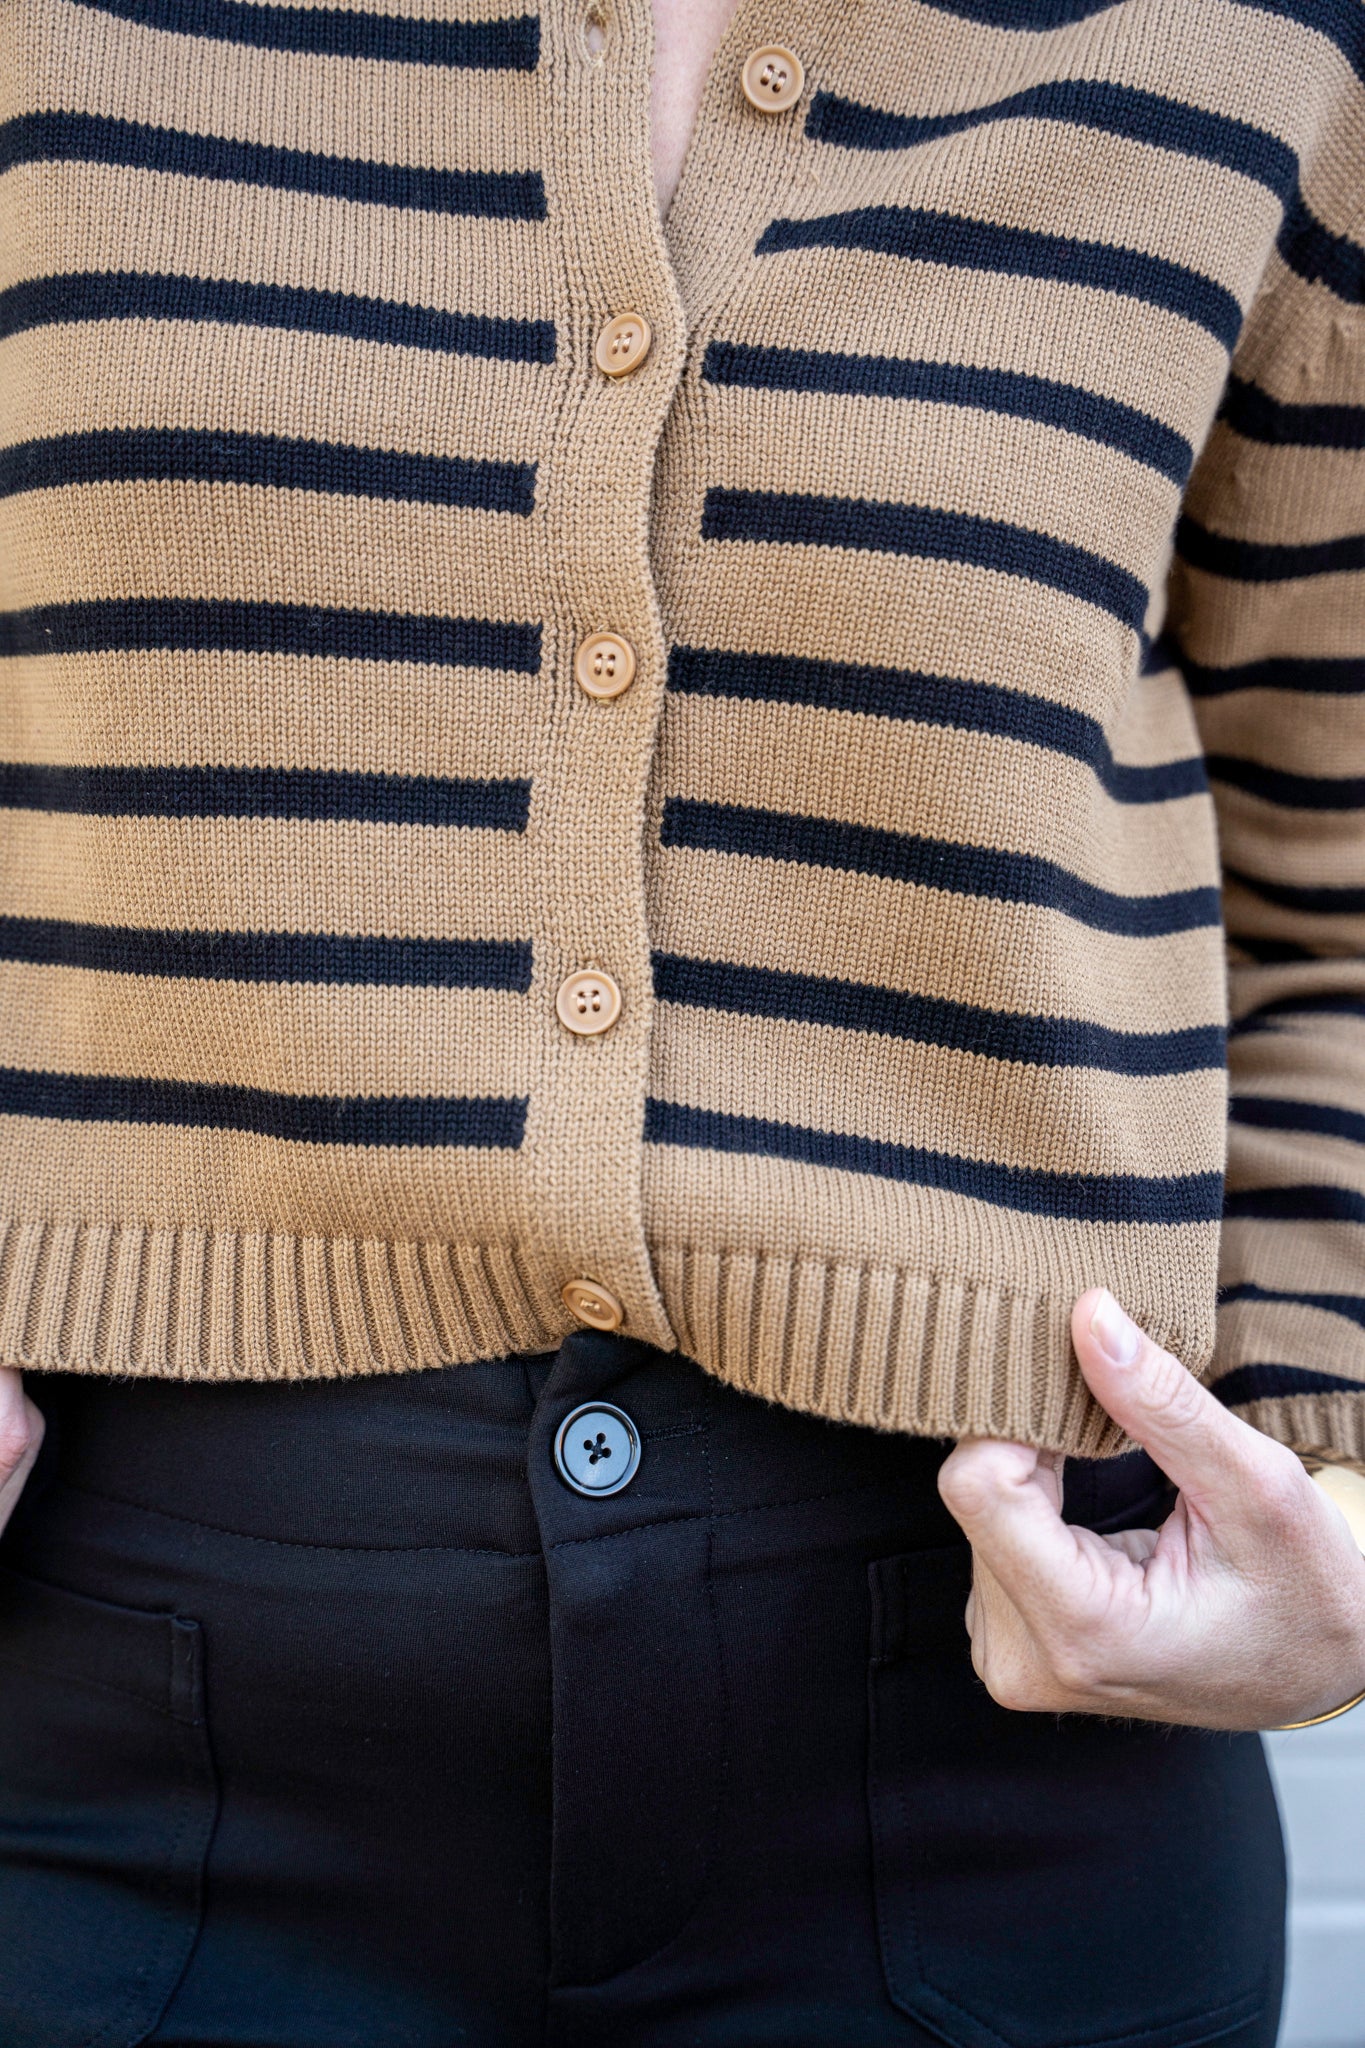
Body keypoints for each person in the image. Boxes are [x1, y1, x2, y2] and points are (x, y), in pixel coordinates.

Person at [0, 0, 1362, 2040]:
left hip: (1000, 1750)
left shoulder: (1261, 51)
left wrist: (1331, 1475)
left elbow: (1332, 856)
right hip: (99, 1729)